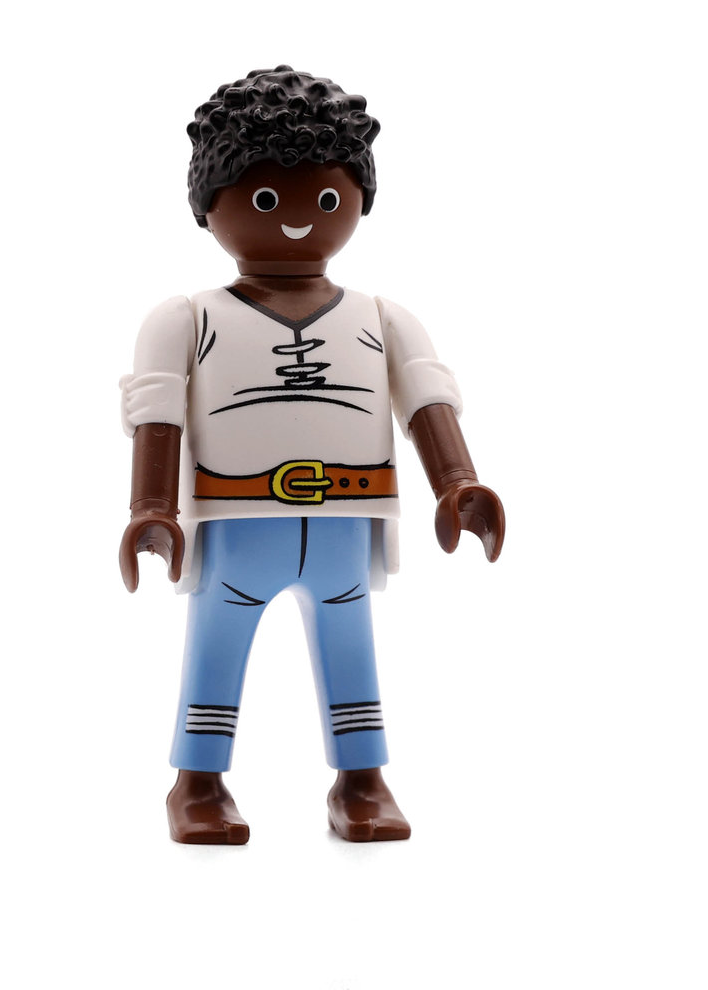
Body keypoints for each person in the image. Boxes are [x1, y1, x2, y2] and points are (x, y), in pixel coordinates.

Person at [119, 66, 505, 844]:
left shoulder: (383, 317)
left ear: (358, 199)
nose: (297, 221)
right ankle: (198, 782)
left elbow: (427, 401)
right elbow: (157, 416)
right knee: (216, 645)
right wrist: (151, 509)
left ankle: (361, 779)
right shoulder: (186, 318)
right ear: (209, 203)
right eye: (266, 199)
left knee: (350, 645)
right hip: (235, 519)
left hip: (346, 519)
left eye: (325, 200)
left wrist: (458, 484)